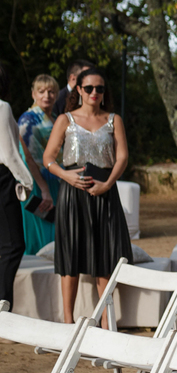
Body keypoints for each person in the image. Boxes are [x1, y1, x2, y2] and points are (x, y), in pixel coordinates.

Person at [41, 68, 134, 326]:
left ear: (105, 92)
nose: (95, 93)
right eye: (90, 88)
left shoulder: (114, 119)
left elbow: (123, 157)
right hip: (73, 194)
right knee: (71, 254)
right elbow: (48, 158)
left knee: (105, 257)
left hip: (105, 193)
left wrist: (107, 185)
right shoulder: (64, 119)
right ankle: (68, 322)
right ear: (79, 90)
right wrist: (65, 176)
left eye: (100, 88)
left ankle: (105, 323)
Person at [0, 64, 34, 306]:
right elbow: (10, 153)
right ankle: (3, 306)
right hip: (2, 179)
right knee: (13, 245)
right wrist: (27, 181)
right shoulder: (2, 108)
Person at [18, 74, 60, 253]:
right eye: (41, 91)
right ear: (33, 94)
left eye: (51, 91)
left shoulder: (54, 118)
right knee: (40, 237)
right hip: (37, 184)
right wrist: (43, 189)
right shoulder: (28, 119)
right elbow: (29, 158)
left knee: (54, 234)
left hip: (54, 181)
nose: (47, 95)